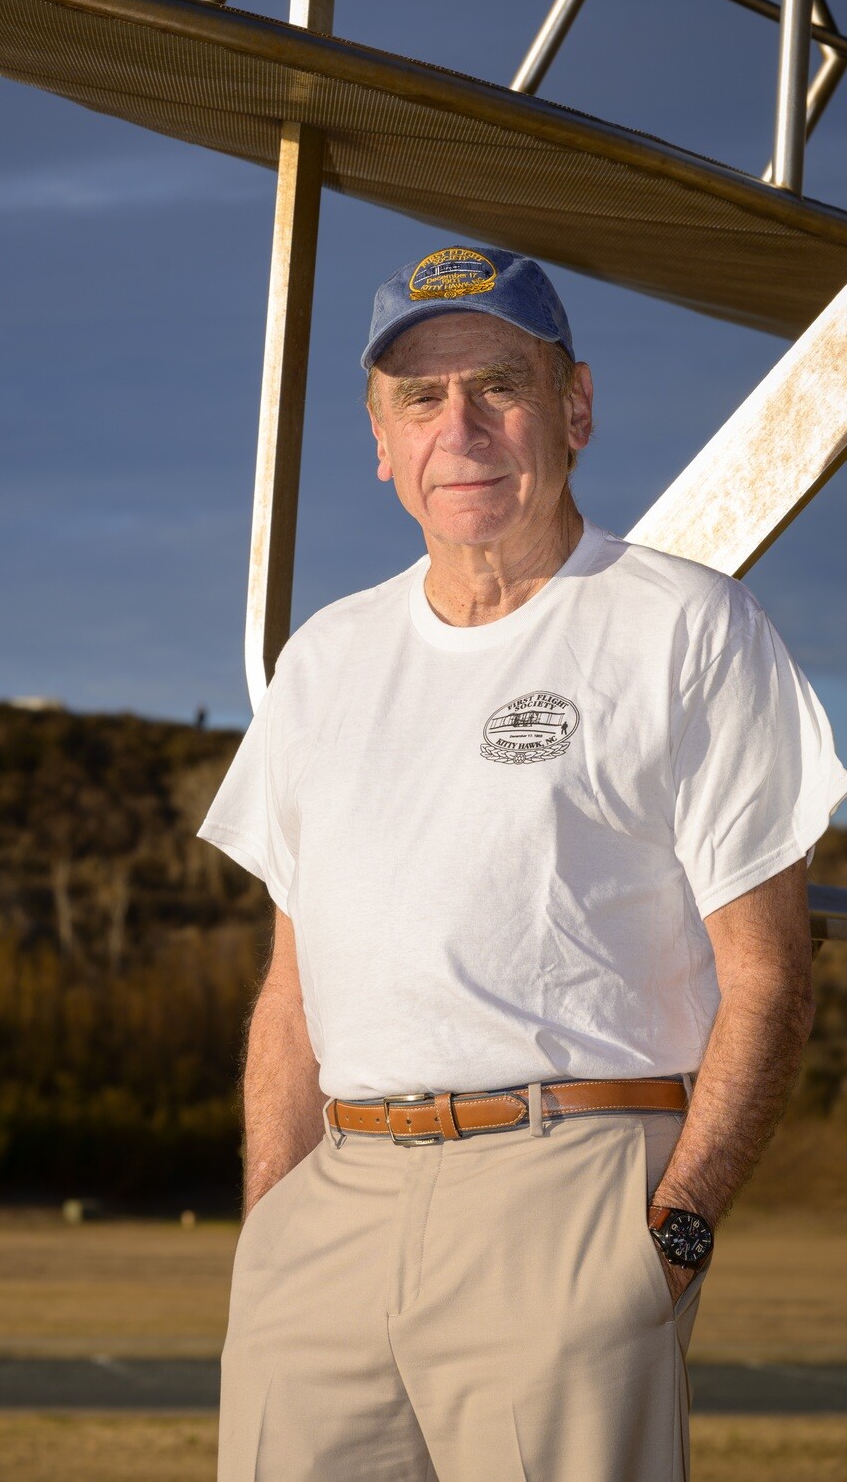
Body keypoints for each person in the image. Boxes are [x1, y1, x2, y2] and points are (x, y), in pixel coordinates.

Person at [197, 244, 847, 1482]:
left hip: (572, 1190)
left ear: (575, 407)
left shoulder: (687, 627)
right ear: (380, 439)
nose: (462, 429)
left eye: (500, 385)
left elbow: (768, 977)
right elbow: (292, 992)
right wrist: (269, 1232)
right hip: (331, 1215)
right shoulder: (325, 661)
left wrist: (675, 1235)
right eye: (421, 398)